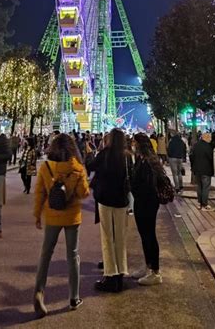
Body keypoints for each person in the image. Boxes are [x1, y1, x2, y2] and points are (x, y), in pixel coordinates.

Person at [33, 134, 89, 318]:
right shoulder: (77, 168)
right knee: (72, 255)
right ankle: (74, 297)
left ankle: (39, 291)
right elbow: (84, 193)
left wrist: (37, 215)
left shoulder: (46, 166)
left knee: (46, 253)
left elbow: (40, 192)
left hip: (52, 215)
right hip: (72, 216)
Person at [88, 128, 131, 293]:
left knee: (107, 237)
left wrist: (93, 151)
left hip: (106, 199)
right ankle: (120, 274)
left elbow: (90, 166)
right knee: (120, 237)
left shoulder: (104, 154)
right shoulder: (127, 156)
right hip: (121, 200)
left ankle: (111, 276)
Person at [131, 133, 163, 285]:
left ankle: (155, 272)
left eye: (134, 142)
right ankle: (148, 266)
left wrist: (134, 188)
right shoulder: (143, 159)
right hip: (141, 201)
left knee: (149, 235)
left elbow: (147, 185)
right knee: (144, 235)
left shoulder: (148, 162)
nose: (133, 145)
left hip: (147, 202)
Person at [190, 133, 214, 211]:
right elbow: (211, 158)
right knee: (206, 187)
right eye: (210, 137)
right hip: (206, 169)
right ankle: (205, 204)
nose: (210, 139)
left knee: (199, 186)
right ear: (206, 138)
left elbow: (191, 156)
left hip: (197, 169)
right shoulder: (208, 146)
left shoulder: (196, 145)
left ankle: (199, 203)